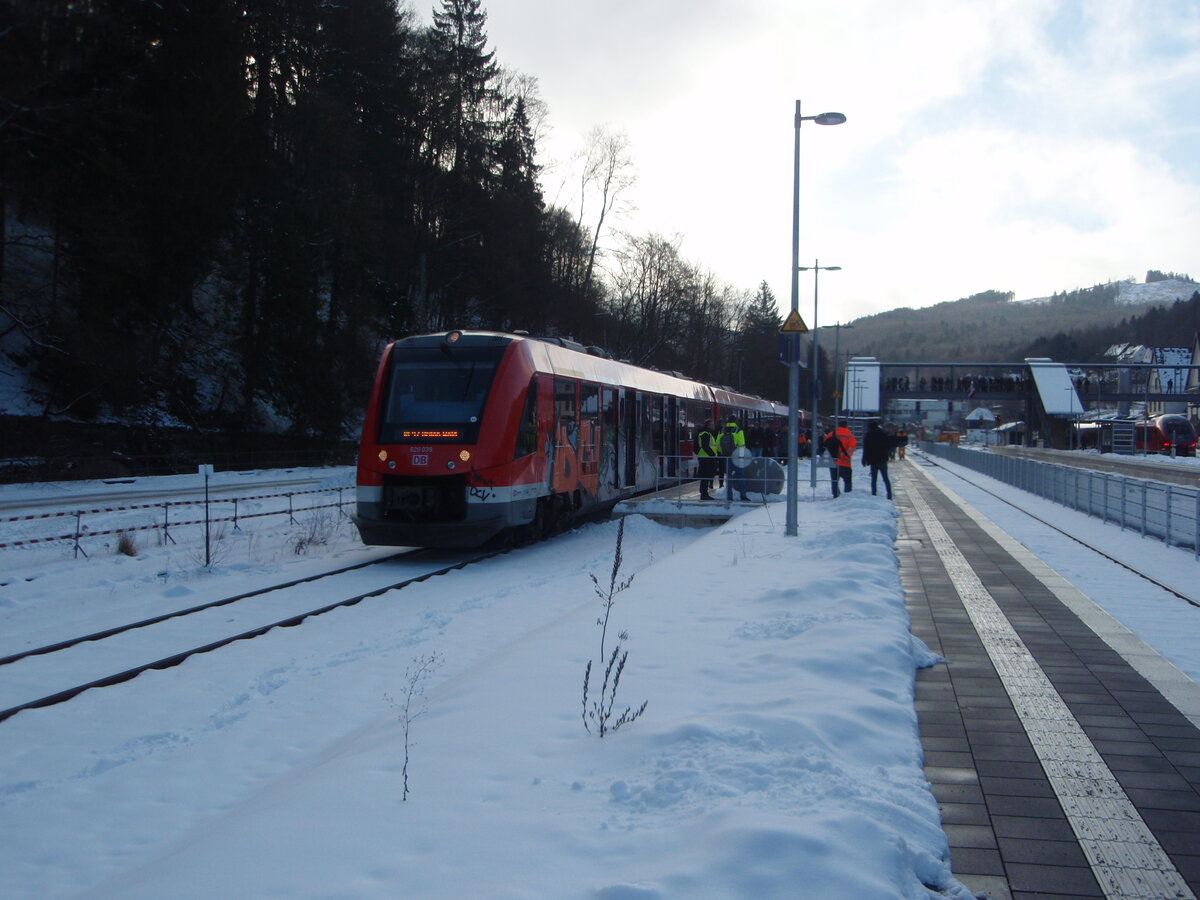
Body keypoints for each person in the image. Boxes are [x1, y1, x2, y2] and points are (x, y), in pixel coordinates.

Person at [719, 419, 749, 502]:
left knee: (729, 477)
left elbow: (718, 444)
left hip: (726, 457)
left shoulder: (722, 430)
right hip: (737, 457)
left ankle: (729, 497)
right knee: (740, 476)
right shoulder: (738, 430)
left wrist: (723, 453)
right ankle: (743, 496)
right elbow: (742, 445)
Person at [861, 420, 893, 500]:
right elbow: (889, 445)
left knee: (874, 479)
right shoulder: (883, 434)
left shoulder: (868, 435)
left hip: (873, 460)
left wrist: (864, 459)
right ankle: (889, 495)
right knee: (886, 478)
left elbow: (866, 448)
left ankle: (874, 494)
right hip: (883, 459)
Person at [695, 419, 718, 501]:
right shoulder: (705, 434)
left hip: (705, 457)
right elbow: (705, 446)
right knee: (706, 476)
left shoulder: (707, 433)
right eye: (712, 425)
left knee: (706, 476)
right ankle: (704, 495)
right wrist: (712, 454)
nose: (714, 426)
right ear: (708, 426)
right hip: (706, 458)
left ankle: (704, 494)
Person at [819, 425, 845, 497]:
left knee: (833, 477)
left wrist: (823, 454)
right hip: (838, 459)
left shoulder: (828, 440)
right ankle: (838, 492)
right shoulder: (838, 440)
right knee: (839, 476)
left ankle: (835, 493)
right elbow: (843, 449)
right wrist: (845, 455)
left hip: (830, 458)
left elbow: (823, 446)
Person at [832, 419, 856, 495]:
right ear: (846, 426)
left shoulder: (831, 434)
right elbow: (851, 449)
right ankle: (847, 496)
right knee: (847, 481)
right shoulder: (850, 436)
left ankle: (835, 495)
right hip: (845, 463)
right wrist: (843, 455)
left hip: (833, 462)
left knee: (834, 481)